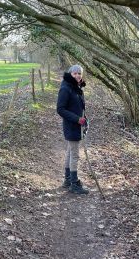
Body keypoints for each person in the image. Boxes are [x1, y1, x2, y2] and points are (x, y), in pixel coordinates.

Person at [57, 64, 89, 194]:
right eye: (75, 73)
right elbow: (60, 109)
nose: (77, 75)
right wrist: (77, 119)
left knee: (70, 152)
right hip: (71, 126)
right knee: (75, 155)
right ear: (70, 74)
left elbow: (79, 107)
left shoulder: (75, 87)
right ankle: (74, 184)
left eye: (79, 73)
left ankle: (68, 180)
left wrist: (84, 119)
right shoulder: (65, 88)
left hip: (77, 125)